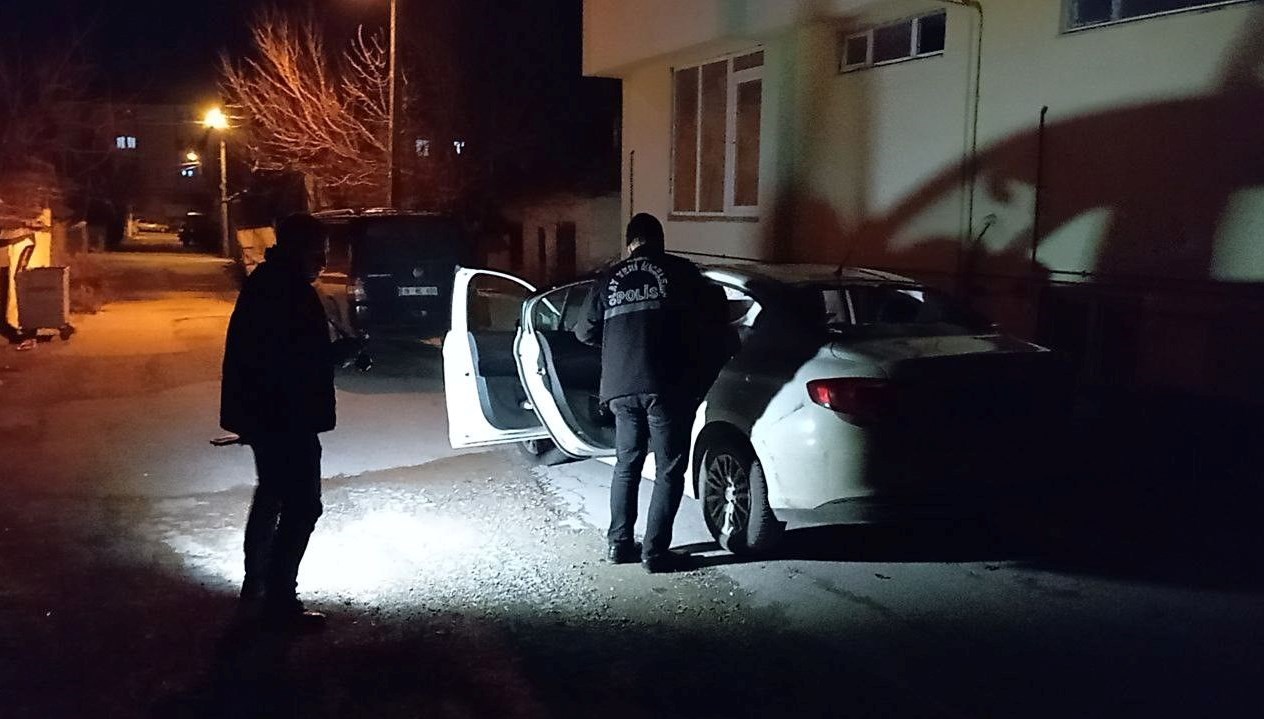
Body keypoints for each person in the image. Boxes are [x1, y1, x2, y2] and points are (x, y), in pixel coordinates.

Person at [575, 213, 729, 574]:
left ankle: (619, 544)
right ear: (660, 241)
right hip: (665, 385)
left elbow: (583, 332)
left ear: (630, 244)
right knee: (668, 469)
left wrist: (619, 341)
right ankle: (655, 553)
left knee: (626, 464)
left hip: (620, 388)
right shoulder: (681, 272)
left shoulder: (608, 278)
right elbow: (713, 317)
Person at [220, 213, 338, 631]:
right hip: (286, 416)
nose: (323, 259)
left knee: (273, 494)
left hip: (267, 413)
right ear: (300, 248)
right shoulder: (287, 290)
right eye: (319, 250)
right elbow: (295, 360)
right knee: (302, 505)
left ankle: (258, 586)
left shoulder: (269, 282)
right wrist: (339, 355)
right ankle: (279, 600)